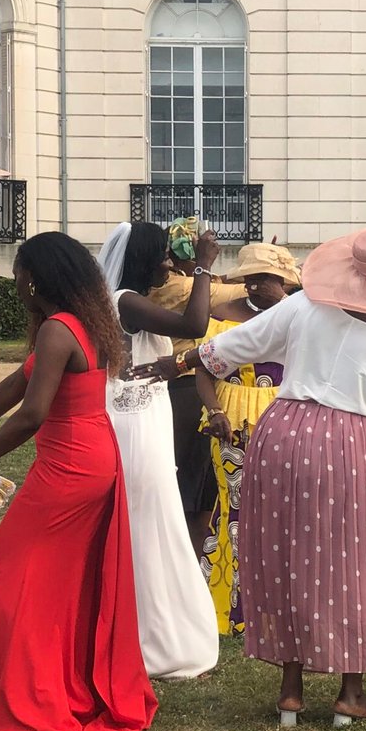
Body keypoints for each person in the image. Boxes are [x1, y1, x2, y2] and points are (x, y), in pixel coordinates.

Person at [157, 221, 366, 727]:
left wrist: (182, 363)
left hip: (282, 433)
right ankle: (350, 697)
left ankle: (290, 694)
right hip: (351, 448)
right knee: (355, 564)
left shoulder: (300, 307)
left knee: (285, 556)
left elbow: (220, 353)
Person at [0, 232, 158, 731]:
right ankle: (55, 686)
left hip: (70, 467)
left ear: (35, 277)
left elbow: (32, 414)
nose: (14, 281)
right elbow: (19, 382)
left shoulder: (59, 330)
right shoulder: (78, 324)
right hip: (91, 457)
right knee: (61, 584)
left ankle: (32, 699)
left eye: (17, 271)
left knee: (4, 576)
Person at [97, 220, 222, 680]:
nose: (170, 264)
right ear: (142, 259)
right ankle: (150, 636)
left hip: (144, 418)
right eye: (164, 257)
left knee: (153, 523)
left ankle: (148, 627)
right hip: (133, 430)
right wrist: (204, 269)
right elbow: (195, 323)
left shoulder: (132, 303)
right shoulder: (125, 301)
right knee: (147, 526)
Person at [194, 241, 299, 634]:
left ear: (284, 281)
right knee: (234, 508)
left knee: (282, 511)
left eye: (261, 280)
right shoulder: (223, 315)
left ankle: (278, 607)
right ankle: (231, 609)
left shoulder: (301, 317)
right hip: (230, 423)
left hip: (284, 420)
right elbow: (204, 370)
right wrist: (215, 411)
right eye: (248, 280)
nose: (252, 287)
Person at [149, 216, 248, 552]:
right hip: (186, 390)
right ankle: (185, 555)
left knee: (202, 482)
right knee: (191, 482)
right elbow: (231, 293)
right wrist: (270, 275)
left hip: (190, 388)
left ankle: (193, 552)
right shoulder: (176, 287)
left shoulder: (182, 281)